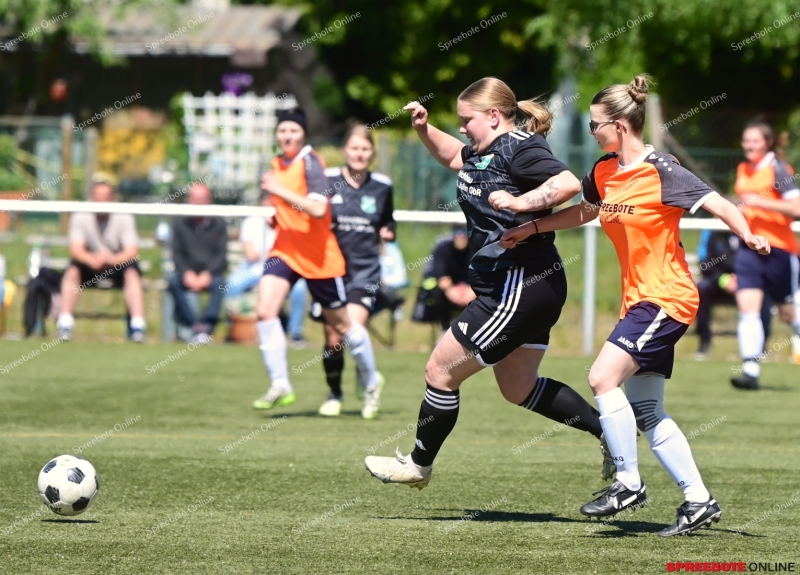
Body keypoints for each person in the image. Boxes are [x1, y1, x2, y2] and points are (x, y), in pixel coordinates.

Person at [500, 75, 770, 536]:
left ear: (620, 126)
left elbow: (718, 203)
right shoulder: (605, 171)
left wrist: (747, 233)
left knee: (602, 376)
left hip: (666, 298)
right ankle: (699, 501)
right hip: (640, 303)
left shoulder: (661, 169)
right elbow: (587, 209)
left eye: (595, 125)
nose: (592, 132)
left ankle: (627, 482)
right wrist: (534, 228)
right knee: (646, 412)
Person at [364, 77, 617, 492]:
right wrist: (425, 129)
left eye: (467, 120)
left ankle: (418, 465)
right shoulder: (485, 152)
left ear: (494, 116)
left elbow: (568, 184)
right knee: (517, 387)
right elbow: (453, 157)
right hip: (526, 286)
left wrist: (520, 203)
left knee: (440, 370)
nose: (463, 128)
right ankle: (610, 432)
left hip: (518, 283)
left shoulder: (521, 147)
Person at [252, 107, 384, 415]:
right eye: (283, 130)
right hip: (285, 250)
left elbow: (315, 209)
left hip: (319, 258)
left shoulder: (310, 162)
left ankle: (371, 376)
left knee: (342, 327)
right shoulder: (277, 164)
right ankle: (281, 383)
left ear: (303, 135)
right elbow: (290, 211)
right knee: (264, 310)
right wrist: (278, 217)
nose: (287, 136)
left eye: (293, 131)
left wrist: (278, 192)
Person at [315, 123, 395, 418]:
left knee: (350, 329)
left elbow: (389, 221)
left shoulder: (383, 186)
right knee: (332, 339)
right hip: (329, 270)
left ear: (372, 152)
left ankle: (370, 381)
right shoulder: (328, 180)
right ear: (344, 150)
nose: (359, 153)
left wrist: (389, 232)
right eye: (354, 148)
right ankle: (334, 393)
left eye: (365, 148)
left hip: (365, 272)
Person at [730, 119, 800, 388]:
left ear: (768, 142)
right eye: (746, 140)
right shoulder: (743, 168)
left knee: (787, 313)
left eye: (755, 140)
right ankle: (750, 372)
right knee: (748, 308)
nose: (749, 146)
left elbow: (796, 208)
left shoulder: (778, 168)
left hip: (779, 250)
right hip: (750, 249)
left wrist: (758, 201)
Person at [57, 178, 146, 342]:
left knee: (132, 273)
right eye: (97, 196)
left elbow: (131, 251)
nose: (101, 201)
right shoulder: (81, 214)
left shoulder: (123, 215)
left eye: (105, 197)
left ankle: (138, 327)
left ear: (112, 198)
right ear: (91, 197)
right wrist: (90, 258)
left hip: (116, 264)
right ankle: (65, 324)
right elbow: (76, 249)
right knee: (72, 271)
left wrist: (112, 259)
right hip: (90, 265)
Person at [223, 190, 309, 345]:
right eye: (267, 199)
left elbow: (291, 252)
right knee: (232, 283)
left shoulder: (288, 221)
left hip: (280, 269)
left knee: (300, 288)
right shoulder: (252, 222)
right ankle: (233, 325)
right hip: (254, 269)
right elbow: (251, 254)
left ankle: (295, 333)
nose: (270, 203)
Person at [693, 230, 772, 359]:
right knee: (702, 289)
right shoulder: (711, 231)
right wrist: (723, 279)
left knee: (763, 293)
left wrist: (742, 279)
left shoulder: (753, 231)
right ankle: (704, 343)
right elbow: (704, 264)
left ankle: (761, 348)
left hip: (747, 282)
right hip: (718, 283)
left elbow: (763, 264)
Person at [168, 183, 227, 342]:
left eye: (201, 198)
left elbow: (221, 255)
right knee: (173, 282)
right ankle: (194, 325)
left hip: (211, 273)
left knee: (220, 283)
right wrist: (186, 273)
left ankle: (208, 324)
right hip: (187, 272)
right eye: (194, 198)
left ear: (209, 200)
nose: (197, 202)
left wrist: (208, 273)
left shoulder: (219, 223)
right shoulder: (180, 222)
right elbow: (176, 253)